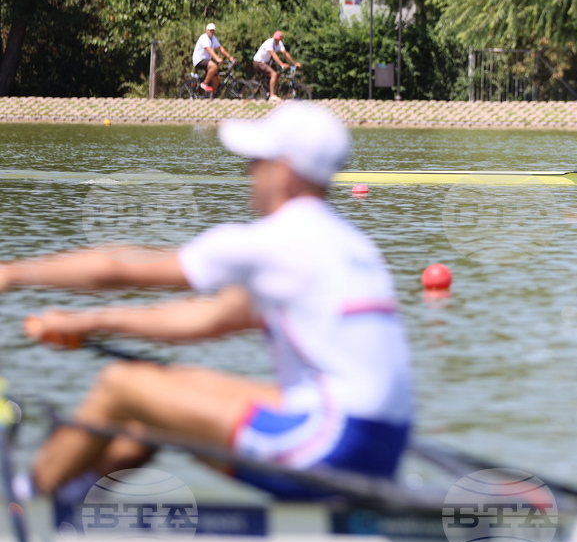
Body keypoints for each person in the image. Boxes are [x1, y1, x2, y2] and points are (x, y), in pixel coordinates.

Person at [6, 103, 411, 499]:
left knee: (120, 384)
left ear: (284, 172)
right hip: (382, 446)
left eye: (256, 162)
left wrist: (14, 274)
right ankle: (74, 492)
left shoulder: (277, 240)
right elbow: (211, 318)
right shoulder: (352, 246)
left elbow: (121, 268)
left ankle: (23, 502)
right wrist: (89, 323)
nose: (248, 173)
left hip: (330, 447)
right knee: (167, 393)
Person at [253, 31, 302, 103]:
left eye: (278, 39)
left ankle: (269, 92)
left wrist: (294, 63)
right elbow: (273, 54)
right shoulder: (269, 42)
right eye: (275, 39)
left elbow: (285, 53)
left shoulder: (279, 44)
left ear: (280, 39)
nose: (276, 40)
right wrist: (282, 64)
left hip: (265, 63)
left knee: (277, 75)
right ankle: (272, 96)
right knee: (274, 74)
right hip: (258, 62)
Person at [191, 23, 236, 95]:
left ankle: (211, 96)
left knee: (217, 79)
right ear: (206, 30)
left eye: (213, 30)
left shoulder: (213, 38)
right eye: (210, 30)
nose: (212, 32)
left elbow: (220, 48)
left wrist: (230, 57)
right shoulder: (204, 38)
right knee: (214, 66)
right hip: (199, 60)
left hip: (207, 61)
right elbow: (209, 50)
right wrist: (217, 59)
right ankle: (204, 83)